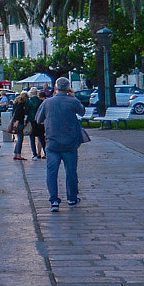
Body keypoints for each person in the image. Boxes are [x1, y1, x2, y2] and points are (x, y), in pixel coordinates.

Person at [38, 76, 87, 212]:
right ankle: (71, 198)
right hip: (70, 143)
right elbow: (82, 111)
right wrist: (74, 97)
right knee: (71, 172)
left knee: (51, 172)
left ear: (55, 87)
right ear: (68, 88)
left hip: (52, 143)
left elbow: (38, 119)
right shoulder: (73, 102)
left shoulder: (47, 103)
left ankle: (54, 201)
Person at [27, 88, 46, 159]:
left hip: (31, 121)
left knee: (32, 139)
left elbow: (26, 111)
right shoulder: (40, 101)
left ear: (31, 93)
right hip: (39, 121)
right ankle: (45, 152)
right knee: (41, 138)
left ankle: (35, 154)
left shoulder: (29, 102)